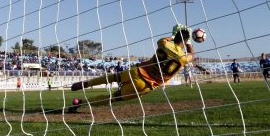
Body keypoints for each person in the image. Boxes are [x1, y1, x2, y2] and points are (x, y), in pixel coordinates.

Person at [71, 24, 200, 105]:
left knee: (112, 77)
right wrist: (188, 44)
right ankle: (80, 102)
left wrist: (173, 36)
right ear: (184, 41)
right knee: (113, 98)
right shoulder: (183, 58)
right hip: (146, 84)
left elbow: (166, 39)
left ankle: (85, 84)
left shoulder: (163, 43)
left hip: (137, 71)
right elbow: (192, 55)